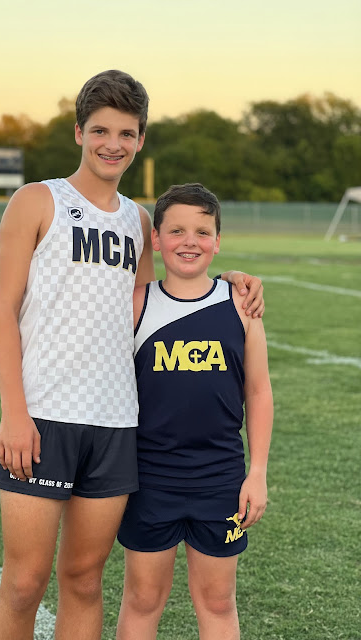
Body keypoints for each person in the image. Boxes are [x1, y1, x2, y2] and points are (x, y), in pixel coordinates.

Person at [0, 71, 265, 640]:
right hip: (43, 417)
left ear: (140, 140)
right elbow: (1, 311)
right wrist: (14, 411)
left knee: (85, 579)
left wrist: (231, 280)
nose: (112, 144)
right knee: (24, 582)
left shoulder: (138, 221)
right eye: (100, 130)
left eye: (126, 133)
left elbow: (159, 300)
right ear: (78, 132)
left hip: (117, 425)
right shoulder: (37, 200)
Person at [116, 183, 273, 640]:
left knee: (218, 601)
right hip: (149, 476)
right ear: (156, 239)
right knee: (143, 598)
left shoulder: (241, 304)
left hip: (220, 477)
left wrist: (257, 472)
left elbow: (258, 391)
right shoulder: (136, 302)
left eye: (203, 232)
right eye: (177, 231)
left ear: (218, 241)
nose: (190, 242)